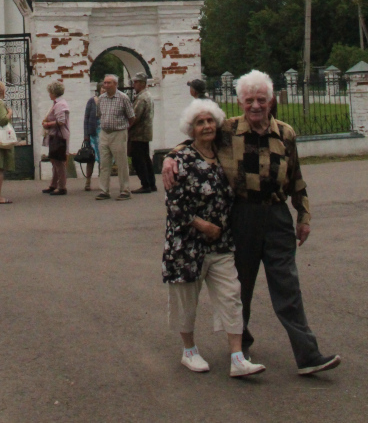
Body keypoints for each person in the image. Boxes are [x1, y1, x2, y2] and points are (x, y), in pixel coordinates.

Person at [162, 69, 340, 376]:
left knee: (287, 286)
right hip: (241, 216)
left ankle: (308, 355)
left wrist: (304, 216)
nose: (255, 106)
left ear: (271, 101)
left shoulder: (285, 133)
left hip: (276, 216)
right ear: (240, 102)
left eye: (261, 99)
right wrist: (170, 155)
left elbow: (296, 177)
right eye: (249, 100)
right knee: (240, 285)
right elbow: (196, 139)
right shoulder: (227, 130)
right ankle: (239, 349)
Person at [163, 99, 266, 378]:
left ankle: (237, 357)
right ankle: (189, 352)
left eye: (210, 121)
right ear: (191, 129)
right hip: (187, 245)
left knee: (232, 296)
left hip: (221, 243)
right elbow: (174, 204)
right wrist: (201, 225)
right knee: (187, 300)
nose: (207, 126)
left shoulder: (224, 153)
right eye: (200, 122)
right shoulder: (181, 160)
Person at [96, 73, 135, 200]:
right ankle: (104, 190)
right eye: (105, 83)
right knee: (104, 163)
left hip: (118, 133)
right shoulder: (101, 98)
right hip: (104, 133)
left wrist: (124, 129)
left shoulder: (123, 98)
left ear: (115, 84)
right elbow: (99, 114)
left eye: (109, 83)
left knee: (121, 162)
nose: (105, 85)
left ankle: (125, 190)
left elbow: (131, 117)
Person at [129, 72, 157, 194]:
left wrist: (126, 127)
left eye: (136, 82)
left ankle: (145, 184)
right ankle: (151, 183)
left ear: (142, 83)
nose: (134, 84)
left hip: (138, 133)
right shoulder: (148, 96)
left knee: (138, 159)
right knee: (145, 158)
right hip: (145, 132)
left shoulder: (141, 98)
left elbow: (134, 117)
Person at [42, 82, 70, 195]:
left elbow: (61, 121)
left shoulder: (60, 105)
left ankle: (62, 186)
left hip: (59, 136)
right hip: (55, 135)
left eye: (50, 92)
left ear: (54, 93)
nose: (49, 94)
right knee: (54, 160)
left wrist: (47, 124)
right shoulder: (57, 103)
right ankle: (53, 184)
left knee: (59, 161)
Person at [83, 83, 101, 191]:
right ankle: (88, 181)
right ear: (98, 89)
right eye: (102, 88)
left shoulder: (108, 101)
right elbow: (86, 118)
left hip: (104, 134)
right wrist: (86, 135)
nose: (104, 89)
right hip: (93, 134)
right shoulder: (91, 101)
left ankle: (103, 182)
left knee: (103, 159)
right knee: (91, 158)